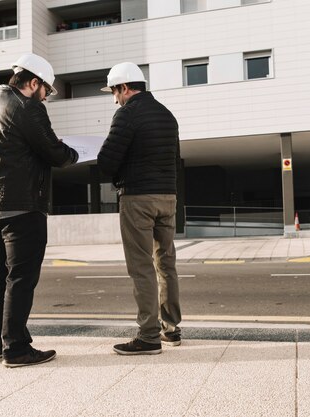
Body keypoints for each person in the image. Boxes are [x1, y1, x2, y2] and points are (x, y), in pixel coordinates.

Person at [0, 53, 79, 367]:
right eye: (47, 89)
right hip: (21, 206)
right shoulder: (28, 107)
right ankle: (16, 349)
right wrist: (74, 152)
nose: (46, 96)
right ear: (34, 83)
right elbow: (55, 154)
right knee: (20, 278)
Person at [97, 62, 182, 355]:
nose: (114, 98)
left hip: (138, 198)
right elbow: (176, 159)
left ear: (124, 87)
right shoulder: (167, 115)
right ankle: (171, 329)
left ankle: (148, 336)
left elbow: (107, 163)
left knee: (141, 266)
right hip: (167, 197)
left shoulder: (126, 115)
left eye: (114, 92)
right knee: (166, 263)